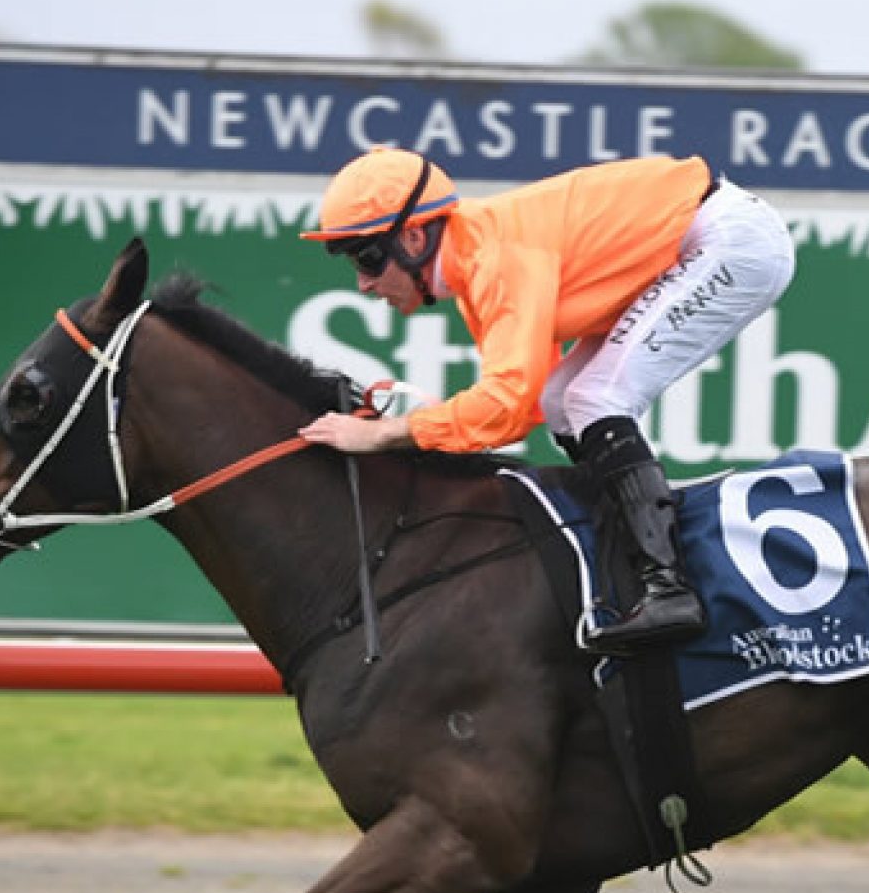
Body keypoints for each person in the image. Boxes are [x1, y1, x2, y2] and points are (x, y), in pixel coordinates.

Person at [297, 146, 797, 654]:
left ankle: (670, 588)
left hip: (729, 244)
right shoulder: (475, 262)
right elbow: (529, 405)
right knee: (565, 400)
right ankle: (632, 561)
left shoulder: (494, 258)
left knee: (597, 398)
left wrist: (386, 433)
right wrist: (425, 427)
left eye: (367, 258)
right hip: (707, 237)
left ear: (412, 236)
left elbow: (506, 404)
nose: (363, 283)